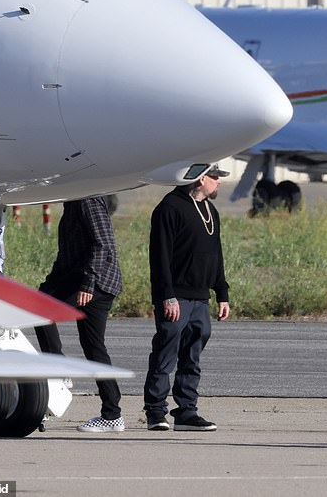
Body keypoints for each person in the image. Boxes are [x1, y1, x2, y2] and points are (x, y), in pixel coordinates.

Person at [144, 164, 231, 432]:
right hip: (176, 297)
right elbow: (160, 258)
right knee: (166, 353)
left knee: (192, 357)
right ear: (201, 177)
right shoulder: (169, 208)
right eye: (215, 177)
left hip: (200, 298)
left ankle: (186, 411)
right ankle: (156, 411)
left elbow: (216, 255)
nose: (219, 182)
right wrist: (167, 296)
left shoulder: (210, 210)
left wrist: (222, 293)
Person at [34, 197, 124, 433]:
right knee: (93, 347)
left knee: (43, 311)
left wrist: (89, 283)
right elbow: (69, 253)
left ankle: (59, 368)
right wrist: (50, 284)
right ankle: (112, 414)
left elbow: (103, 243)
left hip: (96, 283)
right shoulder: (73, 202)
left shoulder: (88, 199)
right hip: (80, 278)